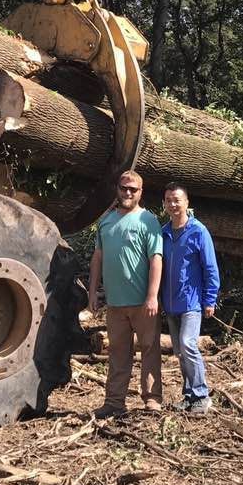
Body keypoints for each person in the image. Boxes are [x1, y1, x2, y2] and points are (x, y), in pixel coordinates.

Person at [88, 169, 164, 418]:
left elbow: (156, 259)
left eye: (133, 189)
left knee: (149, 350)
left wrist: (152, 296)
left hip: (143, 303)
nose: (128, 193)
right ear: (117, 189)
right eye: (124, 188)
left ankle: (152, 399)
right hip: (115, 304)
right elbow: (97, 258)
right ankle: (114, 402)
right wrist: (93, 293)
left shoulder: (148, 221)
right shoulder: (106, 222)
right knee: (118, 353)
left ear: (141, 192)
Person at [159, 183, 220, 415]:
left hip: (192, 303)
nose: (173, 204)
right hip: (171, 303)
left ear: (186, 202)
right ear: (164, 204)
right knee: (180, 351)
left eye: (177, 200)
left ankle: (202, 395)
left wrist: (210, 299)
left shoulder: (198, 231)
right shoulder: (163, 233)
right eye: (168, 200)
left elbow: (210, 268)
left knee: (188, 344)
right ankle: (189, 395)